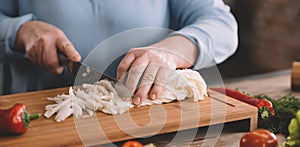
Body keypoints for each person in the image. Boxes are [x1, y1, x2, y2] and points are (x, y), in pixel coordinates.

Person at [0, 0, 238, 106]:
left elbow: (222, 25)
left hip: (145, 123)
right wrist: (17, 31)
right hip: (37, 121)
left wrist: (172, 51)